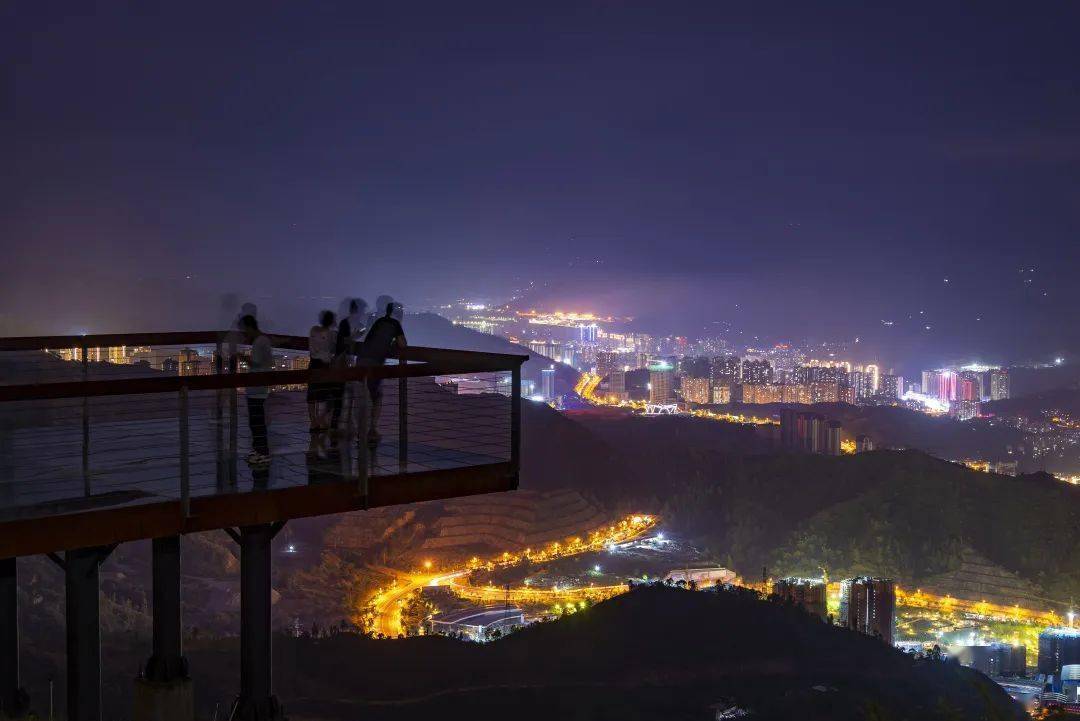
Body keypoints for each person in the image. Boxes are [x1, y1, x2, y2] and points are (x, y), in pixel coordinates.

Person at [356, 301, 406, 444]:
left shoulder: (378, 321)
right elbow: (403, 344)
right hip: (375, 363)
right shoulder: (395, 324)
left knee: (363, 397)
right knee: (376, 397)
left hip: (361, 359)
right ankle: (372, 429)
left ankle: (360, 431)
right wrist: (393, 344)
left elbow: (369, 338)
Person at [329, 298, 368, 431]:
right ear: (357, 310)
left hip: (347, 363)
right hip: (346, 363)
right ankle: (340, 425)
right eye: (362, 310)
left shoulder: (347, 323)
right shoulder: (349, 324)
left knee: (343, 396)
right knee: (342, 396)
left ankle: (340, 425)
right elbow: (345, 342)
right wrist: (355, 336)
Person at [239, 314, 273, 465]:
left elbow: (256, 364)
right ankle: (258, 450)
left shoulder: (259, 342)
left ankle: (262, 452)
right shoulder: (263, 340)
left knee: (256, 422)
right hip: (260, 387)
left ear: (249, 327)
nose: (245, 334)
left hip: (256, 388)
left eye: (245, 331)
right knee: (256, 421)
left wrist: (241, 357)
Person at [307, 310, 336, 431]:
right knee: (328, 395)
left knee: (312, 395)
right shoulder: (332, 334)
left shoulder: (313, 330)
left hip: (313, 364)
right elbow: (334, 350)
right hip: (325, 366)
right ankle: (322, 421)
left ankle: (314, 422)